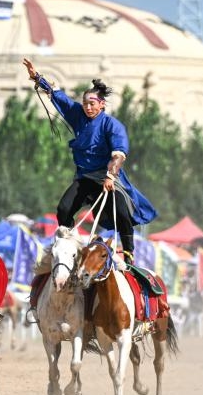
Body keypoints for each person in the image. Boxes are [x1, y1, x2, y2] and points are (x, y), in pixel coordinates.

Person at [22, 60, 157, 268]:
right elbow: (60, 98)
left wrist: (111, 176)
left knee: (123, 212)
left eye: (92, 103)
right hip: (84, 177)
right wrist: (37, 77)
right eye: (85, 103)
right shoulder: (78, 115)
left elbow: (119, 155)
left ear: (102, 104)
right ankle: (69, 247)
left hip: (107, 176)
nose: (88, 107)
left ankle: (129, 253)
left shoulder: (112, 125)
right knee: (64, 209)